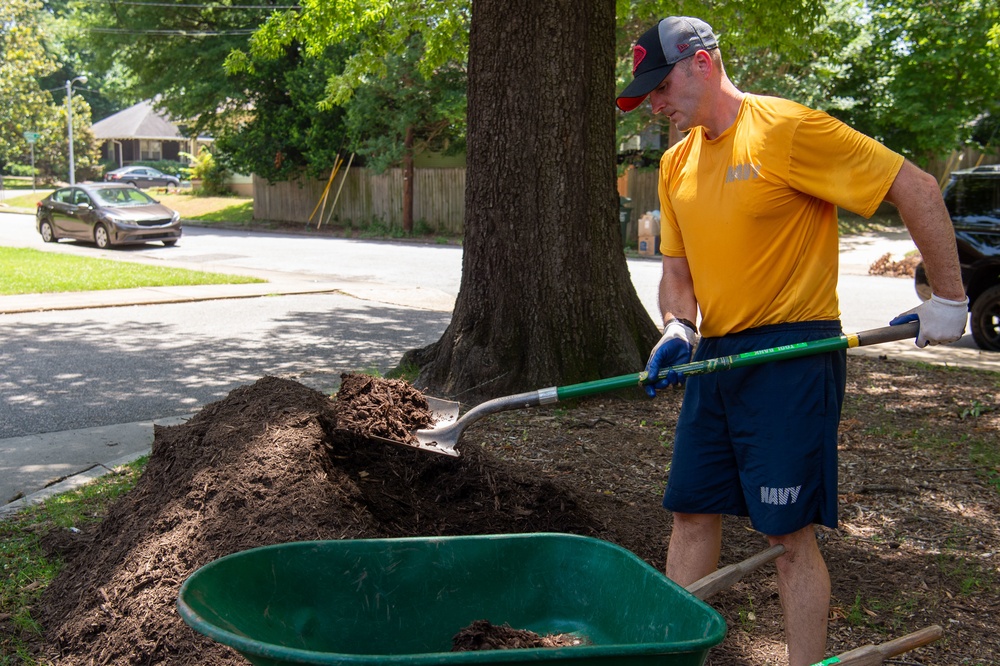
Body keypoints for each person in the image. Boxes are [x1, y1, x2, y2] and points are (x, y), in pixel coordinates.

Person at [616, 16, 968, 666]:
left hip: (791, 358)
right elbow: (676, 275)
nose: (656, 104)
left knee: (786, 536)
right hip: (715, 358)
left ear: (703, 63)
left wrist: (948, 297)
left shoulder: (787, 130)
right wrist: (678, 325)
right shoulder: (676, 163)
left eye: (659, 86)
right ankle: (670, 658)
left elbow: (914, 186)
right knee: (691, 516)